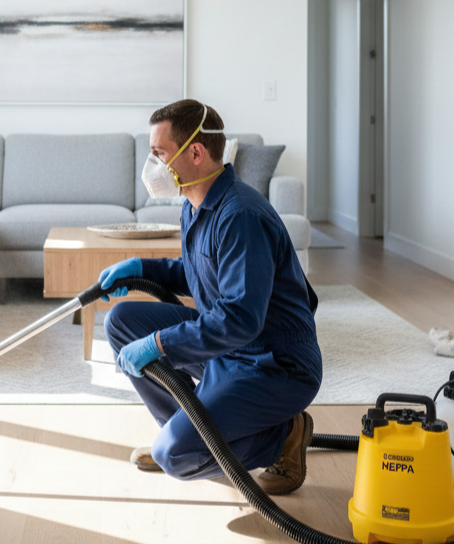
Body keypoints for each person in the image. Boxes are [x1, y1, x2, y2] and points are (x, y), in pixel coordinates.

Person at [101, 99, 322, 495]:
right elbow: (199, 273)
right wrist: (140, 269)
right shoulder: (195, 204)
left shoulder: (240, 216)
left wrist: (159, 343)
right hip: (230, 348)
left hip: (272, 364)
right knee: (121, 322)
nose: (152, 165)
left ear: (196, 153)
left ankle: (282, 435)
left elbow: (239, 319)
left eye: (159, 153)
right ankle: (186, 430)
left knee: (173, 456)